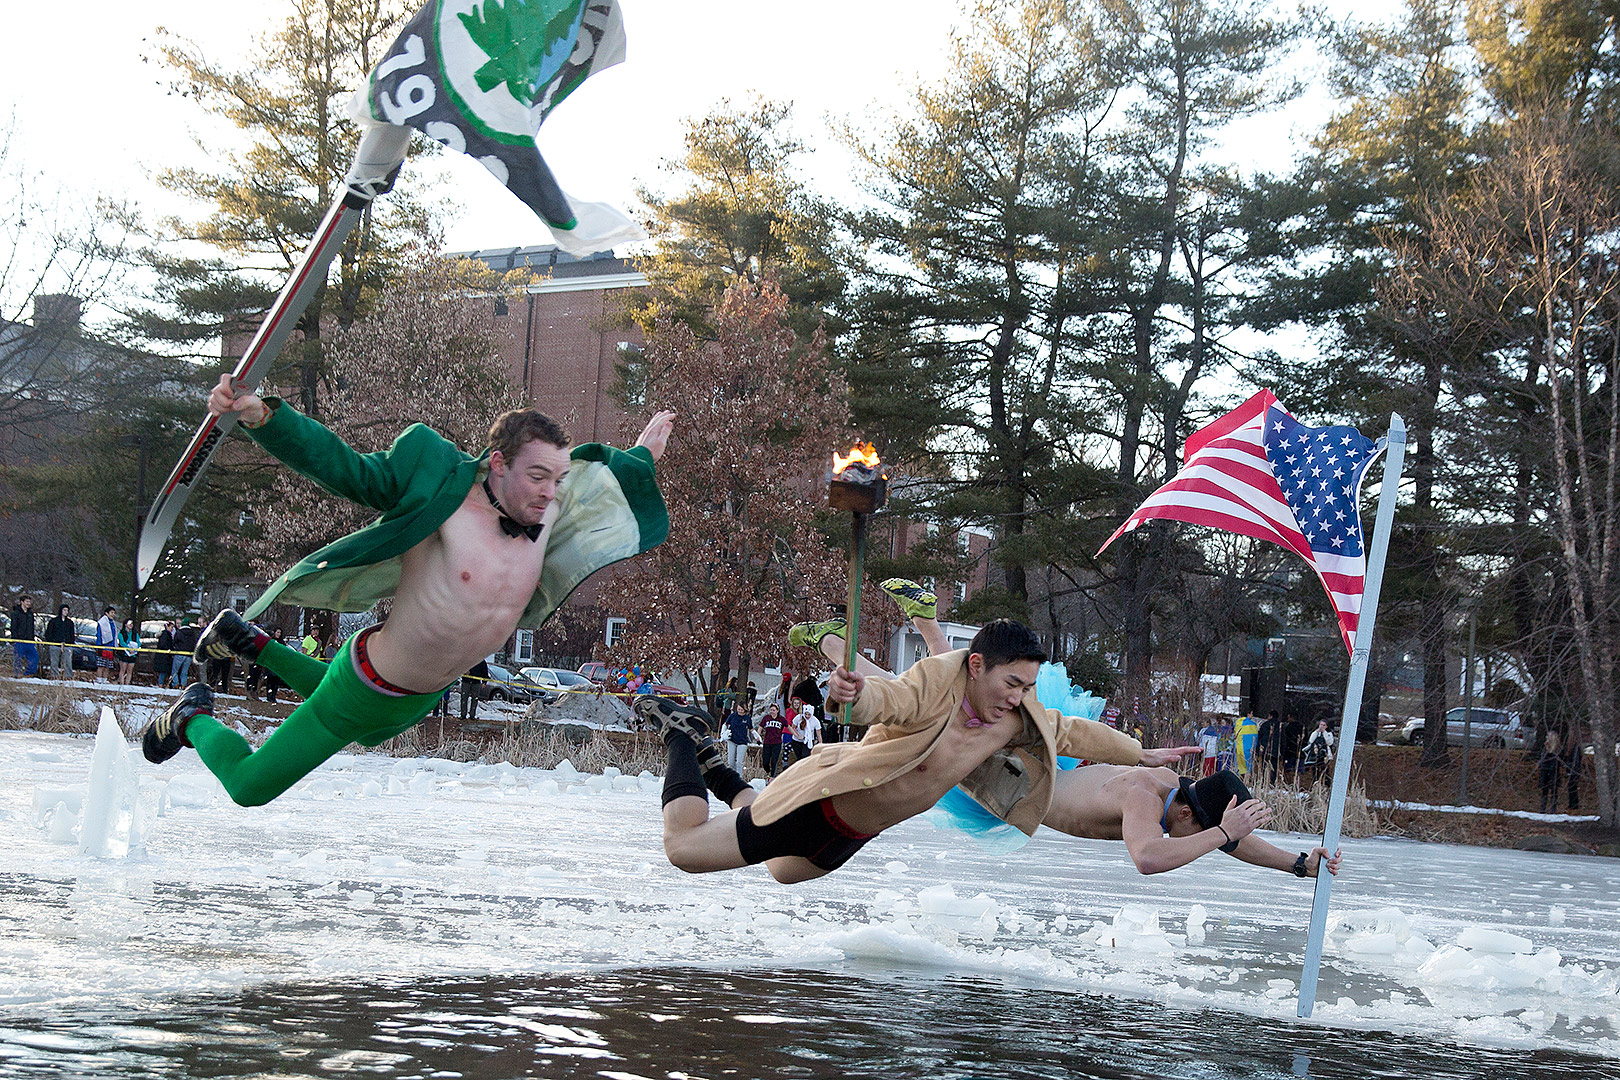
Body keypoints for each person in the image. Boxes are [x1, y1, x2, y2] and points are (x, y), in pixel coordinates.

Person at [138, 371, 672, 809]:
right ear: (498, 463)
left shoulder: (546, 507)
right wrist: (263, 416)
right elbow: (348, 471)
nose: (550, 492)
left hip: (422, 695)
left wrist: (642, 456)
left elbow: (602, 484)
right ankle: (191, 718)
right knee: (249, 786)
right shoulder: (441, 490)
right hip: (364, 683)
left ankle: (246, 639)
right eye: (537, 476)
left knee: (371, 733)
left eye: (557, 479)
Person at [795, 582, 1338, 881]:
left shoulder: (1176, 792)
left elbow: (1227, 838)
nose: (1197, 839)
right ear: (1187, 815)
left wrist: (1297, 863)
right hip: (1019, 783)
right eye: (1202, 831)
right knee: (928, 717)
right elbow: (1150, 858)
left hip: (1055, 765)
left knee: (961, 697)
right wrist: (1221, 834)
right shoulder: (1144, 801)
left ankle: (921, 623)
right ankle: (836, 644)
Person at [644, 618, 1196, 883]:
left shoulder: (1013, 717)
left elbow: (1068, 730)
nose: (1018, 698)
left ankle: (718, 772)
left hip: (853, 833)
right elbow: (888, 700)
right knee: (683, 849)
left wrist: (1138, 754)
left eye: (1027, 687)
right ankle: (683, 736)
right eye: (1011, 684)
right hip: (820, 804)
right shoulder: (934, 689)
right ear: (976, 666)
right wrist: (851, 697)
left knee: (782, 872)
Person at [8, 595, 39, 678]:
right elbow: (13, 627)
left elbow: (32, 627)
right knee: (18, 658)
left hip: (29, 640)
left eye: (29, 602)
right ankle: (16, 674)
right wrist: (15, 638)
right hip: (19, 640)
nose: (29, 603)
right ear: (22, 602)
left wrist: (32, 638)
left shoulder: (30, 614)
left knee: (34, 656)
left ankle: (28, 674)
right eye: (27, 601)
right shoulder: (16, 613)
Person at [1537, 727, 1565, 815]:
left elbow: (1560, 761)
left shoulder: (1558, 750)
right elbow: (1541, 760)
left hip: (1554, 772)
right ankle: (1542, 809)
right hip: (1545, 772)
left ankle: (1553, 809)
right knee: (1544, 792)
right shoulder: (1544, 749)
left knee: (1554, 792)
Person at [43, 602, 75, 680]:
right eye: (64, 610)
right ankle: (54, 676)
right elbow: (48, 633)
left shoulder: (70, 622)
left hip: (67, 645)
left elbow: (72, 634)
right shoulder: (53, 621)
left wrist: (70, 642)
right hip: (55, 645)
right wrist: (52, 641)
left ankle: (68, 677)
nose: (66, 612)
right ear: (61, 610)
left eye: (67, 610)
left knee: (68, 662)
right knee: (54, 662)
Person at [1299, 719, 1335, 783]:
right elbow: (1311, 741)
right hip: (1315, 753)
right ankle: (1315, 783)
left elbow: (1329, 743)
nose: (1322, 726)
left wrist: (1324, 732)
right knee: (1315, 770)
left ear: (1326, 726)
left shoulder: (1329, 734)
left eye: (1324, 725)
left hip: (1325, 755)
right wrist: (1316, 732)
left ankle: (1327, 783)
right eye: (1321, 725)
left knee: (1325, 770)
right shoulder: (1316, 733)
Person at [169, 616, 200, 688]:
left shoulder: (179, 632)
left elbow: (175, 642)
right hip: (189, 655)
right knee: (184, 672)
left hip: (179, 654)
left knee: (175, 671)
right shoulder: (192, 633)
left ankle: (176, 684)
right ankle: (183, 685)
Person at [724, 699, 752, 774]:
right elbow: (725, 724)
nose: (740, 711)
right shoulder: (732, 716)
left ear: (745, 710)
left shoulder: (747, 718)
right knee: (731, 762)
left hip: (742, 741)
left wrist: (757, 737)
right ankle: (732, 776)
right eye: (738, 709)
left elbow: (751, 729)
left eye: (741, 710)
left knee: (739, 762)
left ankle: (739, 777)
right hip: (732, 740)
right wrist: (723, 733)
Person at [758, 703, 786, 778]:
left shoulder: (781, 719)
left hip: (777, 743)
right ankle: (768, 772)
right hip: (767, 742)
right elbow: (760, 727)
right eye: (771, 710)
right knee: (765, 762)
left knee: (774, 761)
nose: (772, 712)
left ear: (777, 711)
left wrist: (796, 735)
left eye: (773, 710)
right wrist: (758, 737)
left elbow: (788, 727)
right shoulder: (766, 718)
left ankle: (773, 777)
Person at [1255, 711, 1282, 781]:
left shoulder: (1264, 725)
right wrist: (1282, 752)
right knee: (1274, 767)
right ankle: (1273, 781)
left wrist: (1257, 750)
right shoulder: (1280, 726)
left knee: (1264, 766)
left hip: (1265, 749)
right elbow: (1283, 740)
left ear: (1270, 716)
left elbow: (1259, 738)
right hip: (1275, 750)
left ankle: (1264, 780)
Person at [94, 606, 117, 682]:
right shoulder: (101, 623)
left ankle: (104, 680)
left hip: (110, 648)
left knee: (107, 666)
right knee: (101, 665)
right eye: (111, 612)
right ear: (106, 613)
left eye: (114, 613)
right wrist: (99, 646)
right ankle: (99, 680)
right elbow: (99, 635)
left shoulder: (113, 623)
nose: (113, 614)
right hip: (103, 647)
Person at [116, 617, 139, 685]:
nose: (131, 625)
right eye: (129, 623)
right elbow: (122, 642)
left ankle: (127, 684)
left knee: (130, 670)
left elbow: (138, 642)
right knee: (123, 669)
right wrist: (128, 649)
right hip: (124, 653)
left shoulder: (135, 633)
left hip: (133, 654)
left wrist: (135, 649)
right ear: (125, 624)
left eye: (132, 623)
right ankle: (121, 683)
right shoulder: (121, 633)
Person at [1281, 713, 1304, 779]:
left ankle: (1288, 781)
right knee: (1299, 770)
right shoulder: (1302, 728)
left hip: (1289, 751)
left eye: (1288, 718)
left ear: (1291, 718)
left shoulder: (1288, 728)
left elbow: (1285, 740)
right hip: (1300, 752)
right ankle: (1298, 781)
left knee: (1288, 770)